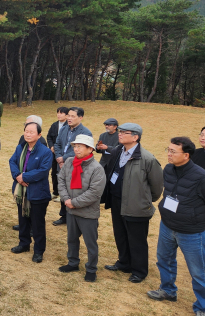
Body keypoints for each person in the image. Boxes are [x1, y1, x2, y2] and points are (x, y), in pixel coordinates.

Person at [148, 137, 205, 311]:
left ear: (186, 155)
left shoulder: (201, 176)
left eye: (173, 151)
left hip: (191, 232)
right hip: (167, 225)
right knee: (164, 260)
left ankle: (202, 306)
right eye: (168, 149)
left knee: (198, 272)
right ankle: (167, 290)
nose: (169, 154)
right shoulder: (168, 169)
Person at [102, 123, 163, 283]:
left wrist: (144, 200)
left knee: (136, 239)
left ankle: (139, 270)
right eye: (120, 132)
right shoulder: (117, 151)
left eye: (124, 132)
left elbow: (156, 187)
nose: (120, 134)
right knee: (120, 233)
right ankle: (124, 263)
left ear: (135, 137)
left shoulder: (147, 158)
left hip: (137, 205)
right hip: (116, 201)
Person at [57, 135, 106, 282]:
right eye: (75, 146)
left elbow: (94, 193)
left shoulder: (97, 169)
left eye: (80, 146)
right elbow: (61, 180)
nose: (76, 149)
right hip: (71, 209)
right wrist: (66, 199)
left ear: (90, 149)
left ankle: (91, 269)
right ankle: (73, 262)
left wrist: (74, 202)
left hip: (87, 213)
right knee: (71, 239)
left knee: (90, 243)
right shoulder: (70, 162)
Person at [9, 122, 52, 262]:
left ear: (39, 135)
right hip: (22, 191)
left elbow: (43, 171)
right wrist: (17, 176)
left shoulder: (45, 152)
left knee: (37, 223)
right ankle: (24, 244)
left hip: (38, 193)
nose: (27, 134)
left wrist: (25, 177)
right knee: (23, 219)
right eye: (26, 131)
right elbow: (12, 162)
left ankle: (39, 250)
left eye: (31, 132)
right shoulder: (20, 148)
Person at [52, 107, 92, 226]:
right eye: (68, 115)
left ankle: (73, 216)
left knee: (74, 191)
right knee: (62, 188)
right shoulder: (64, 129)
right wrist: (59, 158)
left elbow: (81, 149)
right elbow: (57, 144)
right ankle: (63, 215)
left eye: (72, 116)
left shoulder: (85, 132)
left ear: (80, 118)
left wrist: (64, 159)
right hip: (61, 164)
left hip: (75, 165)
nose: (69, 118)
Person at [46, 107, 69, 202]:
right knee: (54, 172)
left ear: (67, 115)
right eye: (58, 112)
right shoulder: (54, 125)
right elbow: (49, 137)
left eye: (61, 113)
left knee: (63, 174)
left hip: (65, 154)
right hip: (54, 153)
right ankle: (55, 192)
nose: (59, 114)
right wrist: (51, 147)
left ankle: (63, 194)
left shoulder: (69, 126)